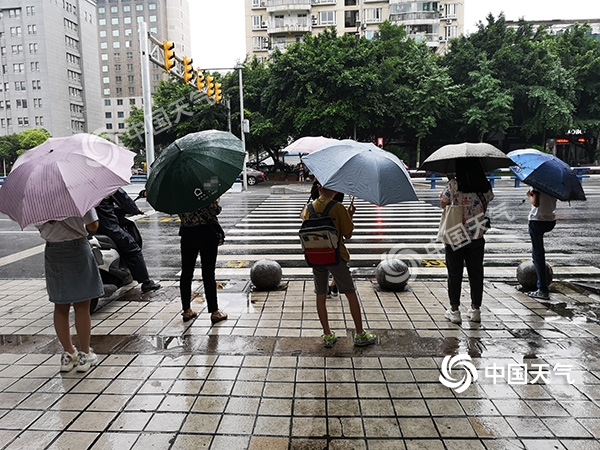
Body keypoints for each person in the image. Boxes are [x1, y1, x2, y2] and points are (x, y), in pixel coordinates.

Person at [301, 182, 376, 347]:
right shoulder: (338, 208)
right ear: (336, 190)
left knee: (320, 296)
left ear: (318, 188)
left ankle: (327, 334)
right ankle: (359, 334)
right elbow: (347, 234)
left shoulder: (308, 208)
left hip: (315, 257)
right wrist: (350, 215)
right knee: (350, 293)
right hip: (336, 256)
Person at [36, 210, 104, 373]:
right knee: (82, 306)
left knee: (60, 305)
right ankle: (84, 354)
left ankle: (68, 354)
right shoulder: (76, 195)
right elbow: (93, 225)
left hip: (53, 251)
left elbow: (40, 227)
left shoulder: (37, 203)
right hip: (77, 249)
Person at [441, 158, 494, 324]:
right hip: (476, 236)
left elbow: (443, 203)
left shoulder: (454, 185)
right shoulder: (484, 186)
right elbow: (487, 203)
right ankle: (475, 309)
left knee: (454, 273)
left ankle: (455, 311)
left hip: (455, 236)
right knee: (476, 273)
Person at [95, 188, 160, 293]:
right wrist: (135, 210)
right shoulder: (107, 185)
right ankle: (146, 282)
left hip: (91, 228)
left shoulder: (82, 187)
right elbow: (124, 200)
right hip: (109, 227)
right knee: (132, 247)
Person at [178, 200, 227, 324]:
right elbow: (215, 210)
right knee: (208, 272)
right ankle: (214, 312)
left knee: (186, 272)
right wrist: (216, 200)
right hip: (207, 233)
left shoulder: (179, 193)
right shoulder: (203, 190)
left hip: (187, 234)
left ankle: (186, 310)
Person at [308, 179, 344, 297]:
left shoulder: (320, 177)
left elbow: (314, 196)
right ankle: (334, 285)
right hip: (334, 221)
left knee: (323, 253)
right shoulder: (339, 179)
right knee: (335, 252)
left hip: (318, 218)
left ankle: (325, 288)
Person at [526, 189, 557, 300]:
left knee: (538, 254)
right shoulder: (553, 184)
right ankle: (541, 284)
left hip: (537, 221)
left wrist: (529, 195)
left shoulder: (536, 184)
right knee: (537, 253)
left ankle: (542, 289)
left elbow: (536, 203)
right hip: (550, 220)